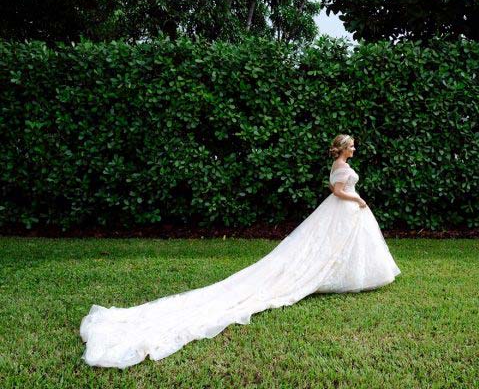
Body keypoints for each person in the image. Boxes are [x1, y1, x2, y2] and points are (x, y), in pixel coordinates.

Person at [80, 133, 401, 369]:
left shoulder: (337, 163)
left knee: (338, 248)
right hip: (344, 208)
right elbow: (338, 191)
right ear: (344, 148)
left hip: (340, 211)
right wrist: (357, 199)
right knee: (328, 249)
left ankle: (346, 277)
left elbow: (334, 188)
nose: (355, 148)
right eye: (352, 145)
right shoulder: (342, 167)